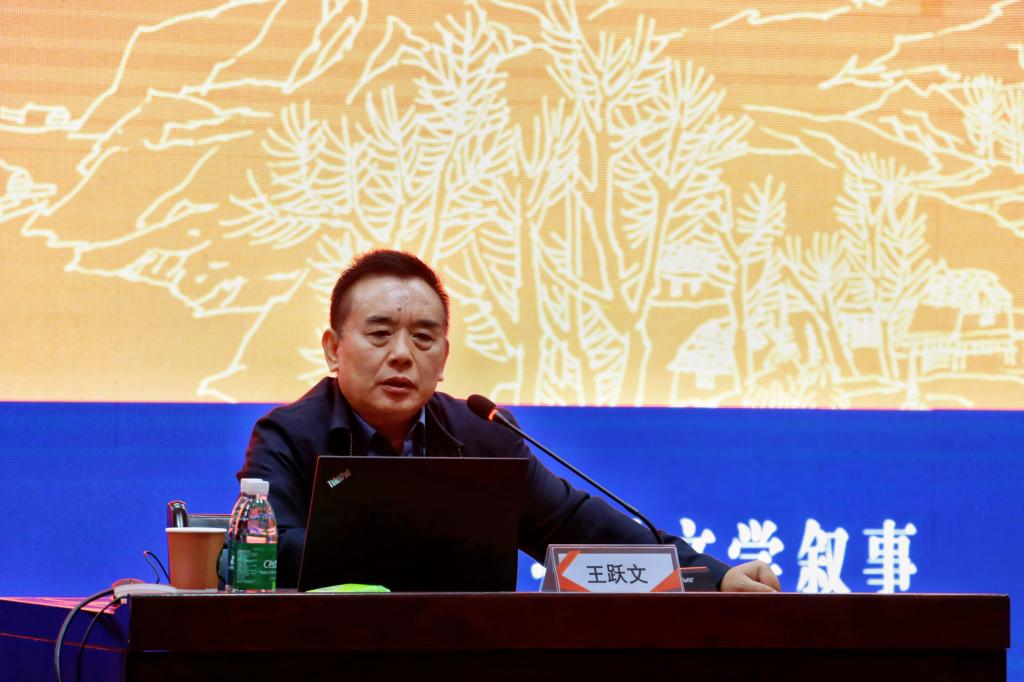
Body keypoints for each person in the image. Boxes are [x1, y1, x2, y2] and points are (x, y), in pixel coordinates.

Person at [238, 250, 781, 592]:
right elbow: (259, 558)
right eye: (379, 334)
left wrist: (713, 576)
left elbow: (578, 528)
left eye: (423, 337)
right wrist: (409, 540)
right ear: (334, 349)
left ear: (444, 358)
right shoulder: (288, 435)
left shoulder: (483, 434)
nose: (402, 354)